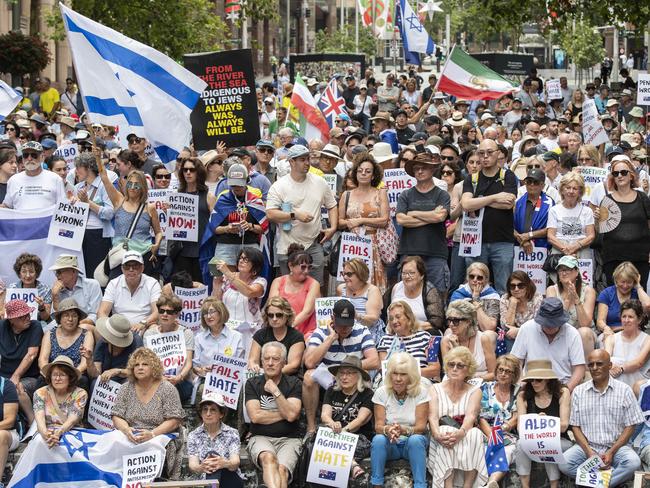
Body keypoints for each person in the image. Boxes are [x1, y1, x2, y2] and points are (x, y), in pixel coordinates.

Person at [558, 349, 643, 486]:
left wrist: (611, 451)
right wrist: (589, 452)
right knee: (564, 463)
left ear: (609, 365)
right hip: (588, 447)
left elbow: (631, 425)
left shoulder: (624, 390)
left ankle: (598, 484)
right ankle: (604, 481)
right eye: (591, 365)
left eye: (599, 364)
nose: (595, 368)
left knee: (633, 462)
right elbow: (575, 426)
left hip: (617, 448)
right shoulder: (579, 392)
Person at [303, 299, 379, 434]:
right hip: (328, 377)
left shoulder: (362, 331)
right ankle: (311, 427)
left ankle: (354, 429)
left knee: (361, 374)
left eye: (348, 324)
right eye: (341, 324)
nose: (344, 328)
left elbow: (374, 361)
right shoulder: (321, 332)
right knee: (309, 376)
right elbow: (309, 362)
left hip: (351, 375)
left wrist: (345, 368)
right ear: (332, 318)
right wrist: (330, 339)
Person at [266, 144, 338, 283]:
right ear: (292, 162)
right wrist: (295, 215)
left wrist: (333, 227)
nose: (307, 163)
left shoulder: (320, 182)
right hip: (288, 247)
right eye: (302, 159)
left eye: (308, 159)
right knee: (289, 291)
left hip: (314, 245)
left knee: (316, 288)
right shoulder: (279, 186)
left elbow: (332, 205)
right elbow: (270, 214)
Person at [112, 347, 184, 479]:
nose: (140, 368)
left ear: (154, 367)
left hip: (159, 435)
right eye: (136, 365)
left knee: (154, 446)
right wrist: (127, 430)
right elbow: (117, 415)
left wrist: (152, 434)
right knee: (114, 440)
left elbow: (175, 420)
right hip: (132, 434)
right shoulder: (125, 388)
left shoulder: (167, 388)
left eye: (145, 364)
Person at [461, 139, 518, 295]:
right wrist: (495, 197)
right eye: (481, 153)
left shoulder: (508, 175)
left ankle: (502, 319)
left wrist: (478, 201)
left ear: (498, 153)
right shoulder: (471, 178)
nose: (485, 156)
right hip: (475, 241)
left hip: (502, 241)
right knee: (474, 286)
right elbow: (465, 204)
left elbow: (508, 203)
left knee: (503, 287)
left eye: (489, 152)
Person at [245, 342, 302, 488]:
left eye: (275, 359)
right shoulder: (252, 383)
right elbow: (256, 417)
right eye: (266, 358)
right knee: (268, 458)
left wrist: (275, 391)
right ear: (261, 361)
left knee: (282, 471)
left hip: (289, 439)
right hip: (260, 437)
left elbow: (291, 415)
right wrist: (286, 412)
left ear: (284, 362)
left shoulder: (294, 383)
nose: (270, 363)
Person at [428, 346, 486, 488]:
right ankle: (448, 485)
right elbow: (433, 417)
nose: (454, 368)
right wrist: (436, 434)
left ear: (468, 370)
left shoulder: (475, 391)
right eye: (451, 364)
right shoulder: (435, 388)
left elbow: (471, 416)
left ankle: (468, 485)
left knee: (476, 433)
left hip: (464, 434)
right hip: (441, 437)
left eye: (460, 365)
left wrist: (461, 433)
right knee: (445, 429)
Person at [371, 352, 429, 488]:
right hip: (391, 443)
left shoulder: (421, 392)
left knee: (416, 440)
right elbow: (378, 426)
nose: (397, 378)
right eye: (394, 373)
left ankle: (420, 485)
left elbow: (421, 427)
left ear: (411, 376)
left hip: (412, 444)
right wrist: (387, 429)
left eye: (403, 374)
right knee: (378, 439)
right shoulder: (381, 392)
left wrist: (404, 430)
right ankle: (376, 484)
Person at [99, 155, 162, 277]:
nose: (132, 188)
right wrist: (98, 157)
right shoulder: (119, 201)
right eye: (130, 184)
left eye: (137, 185)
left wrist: (156, 245)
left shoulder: (150, 207)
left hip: (144, 255)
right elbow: (104, 177)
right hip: (120, 257)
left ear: (143, 187)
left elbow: (158, 231)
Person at [396, 151, 451, 293]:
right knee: (406, 297)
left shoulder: (442, 194)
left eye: (424, 168)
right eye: (416, 168)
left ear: (432, 169)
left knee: (437, 298)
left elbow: (439, 218)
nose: (420, 171)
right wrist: (431, 215)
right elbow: (401, 219)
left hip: (436, 254)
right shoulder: (406, 194)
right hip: (409, 253)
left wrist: (413, 213)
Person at [338, 152, 390, 293]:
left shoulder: (381, 193)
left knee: (372, 286)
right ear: (355, 173)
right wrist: (349, 223)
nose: (363, 174)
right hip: (351, 244)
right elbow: (340, 222)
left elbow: (384, 220)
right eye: (360, 171)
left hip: (372, 243)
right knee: (350, 284)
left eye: (368, 171)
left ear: (373, 175)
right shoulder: (346, 194)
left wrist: (361, 220)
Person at [515, 359, 571, 488]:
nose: (534, 383)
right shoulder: (523, 395)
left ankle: (554, 485)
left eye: (538, 380)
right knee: (521, 443)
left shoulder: (562, 392)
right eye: (531, 380)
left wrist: (545, 423)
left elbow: (564, 426)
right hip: (533, 440)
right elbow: (520, 428)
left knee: (546, 440)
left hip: (560, 440)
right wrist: (537, 422)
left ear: (548, 380)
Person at [512, 297, 586, 391]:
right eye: (547, 324)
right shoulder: (526, 329)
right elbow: (516, 361)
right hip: (532, 384)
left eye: (553, 324)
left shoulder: (572, 333)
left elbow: (579, 368)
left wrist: (567, 389)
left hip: (562, 385)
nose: (550, 327)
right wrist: (520, 385)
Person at [322, 355, 374, 480]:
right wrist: (333, 424)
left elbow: (360, 420)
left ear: (359, 376)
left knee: (330, 448)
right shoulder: (331, 391)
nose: (344, 377)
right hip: (333, 435)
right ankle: (353, 465)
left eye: (350, 373)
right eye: (342, 373)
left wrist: (342, 432)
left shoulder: (367, 394)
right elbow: (325, 415)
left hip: (357, 438)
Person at [600, 156, 650, 286]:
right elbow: (600, 231)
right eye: (616, 173)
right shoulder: (607, 200)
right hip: (613, 258)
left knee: (639, 296)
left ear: (631, 175)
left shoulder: (643, 197)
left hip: (640, 257)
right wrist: (596, 219)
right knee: (615, 298)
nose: (620, 176)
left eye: (624, 172)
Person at [479, 355, 522, 487]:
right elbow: (481, 417)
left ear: (514, 375)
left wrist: (505, 428)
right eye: (500, 370)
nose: (503, 374)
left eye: (508, 371)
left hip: (509, 434)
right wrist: (493, 435)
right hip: (487, 432)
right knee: (485, 449)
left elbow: (517, 416)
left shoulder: (519, 391)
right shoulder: (486, 388)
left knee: (507, 450)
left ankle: (492, 482)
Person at [172, 157, 217, 281]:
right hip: (181, 251)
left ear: (199, 172)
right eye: (185, 170)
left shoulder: (209, 196)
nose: (188, 173)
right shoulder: (176, 196)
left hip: (202, 251)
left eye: (192, 170)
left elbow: (215, 223)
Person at [142, 294, 194, 403]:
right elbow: (148, 362)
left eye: (169, 312)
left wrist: (179, 377)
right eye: (161, 311)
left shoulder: (186, 333)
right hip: (157, 380)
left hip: (181, 382)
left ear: (176, 314)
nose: (165, 314)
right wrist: (160, 378)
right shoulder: (149, 334)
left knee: (165, 390)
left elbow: (189, 363)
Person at [187, 391, 243, 486]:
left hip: (230, 480)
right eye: (205, 410)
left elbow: (235, 462)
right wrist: (201, 467)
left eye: (213, 410)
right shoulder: (194, 435)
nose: (208, 414)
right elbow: (193, 464)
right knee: (211, 460)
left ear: (221, 414)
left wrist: (224, 463)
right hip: (205, 481)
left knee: (212, 457)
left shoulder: (232, 433)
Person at [72, 152, 115, 277]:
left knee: (96, 274)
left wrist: (88, 203)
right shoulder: (78, 187)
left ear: (88, 168)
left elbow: (110, 213)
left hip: (98, 235)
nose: (76, 171)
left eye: (78, 167)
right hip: (79, 235)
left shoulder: (103, 185)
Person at [546, 256, 597, 360]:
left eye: (567, 269)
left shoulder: (588, 291)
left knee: (584, 332)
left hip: (583, 333)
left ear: (576, 271)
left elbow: (585, 324)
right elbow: (555, 321)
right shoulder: (551, 290)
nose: (563, 273)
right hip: (559, 331)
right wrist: (568, 300)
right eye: (560, 270)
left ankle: (587, 372)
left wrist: (576, 299)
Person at [98, 251, 162, 332]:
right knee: (98, 330)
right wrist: (110, 326)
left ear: (142, 268)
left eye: (135, 266)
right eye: (127, 266)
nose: (131, 269)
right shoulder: (113, 283)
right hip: (118, 327)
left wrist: (143, 323)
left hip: (144, 326)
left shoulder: (152, 283)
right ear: (122, 269)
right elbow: (102, 312)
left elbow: (157, 311)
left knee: (154, 329)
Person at [38, 298, 94, 389]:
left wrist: (70, 377)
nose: (70, 319)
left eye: (74, 316)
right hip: (53, 374)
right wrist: (53, 376)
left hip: (76, 375)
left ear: (78, 318)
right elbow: (42, 359)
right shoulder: (50, 334)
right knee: (41, 380)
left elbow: (85, 363)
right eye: (66, 315)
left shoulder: (86, 334)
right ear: (60, 318)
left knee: (83, 381)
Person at [379, 301, 442, 381]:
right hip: (394, 384)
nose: (394, 321)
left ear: (409, 318)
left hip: (420, 381)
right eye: (391, 319)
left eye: (398, 317)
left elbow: (435, 369)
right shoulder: (385, 340)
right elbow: (384, 370)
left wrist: (409, 374)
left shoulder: (426, 337)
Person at [382, 255, 445, 334]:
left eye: (411, 273)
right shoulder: (395, 288)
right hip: (394, 334)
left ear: (421, 275)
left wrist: (409, 327)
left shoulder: (430, 291)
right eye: (404, 273)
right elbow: (383, 312)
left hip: (420, 333)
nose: (407, 277)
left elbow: (437, 322)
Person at [34, 356, 87, 448]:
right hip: (47, 431)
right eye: (54, 375)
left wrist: (59, 433)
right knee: (39, 441)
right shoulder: (40, 393)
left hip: (71, 431)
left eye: (62, 375)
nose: (57, 378)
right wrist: (45, 434)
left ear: (70, 377)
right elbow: (40, 419)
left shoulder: (80, 393)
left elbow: (72, 420)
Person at [267, 244, 319, 337]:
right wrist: (281, 329)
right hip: (278, 326)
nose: (306, 271)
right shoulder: (278, 281)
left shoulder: (314, 284)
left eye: (309, 267)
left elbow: (307, 312)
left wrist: (289, 328)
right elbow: (273, 306)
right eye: (303, 267)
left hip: (306, 332)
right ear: (291, 266)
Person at [248, 297, 304, 376]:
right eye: (271, 315)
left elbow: (293, 366)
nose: (274, 319)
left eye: (279, 315)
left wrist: (269, 373)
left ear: (287, 315)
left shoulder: (296, 336)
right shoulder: (260, 334)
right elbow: (252, 360)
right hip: (263, 377)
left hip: (287, 379)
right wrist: (253, 366)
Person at [441, 299, 496, 381]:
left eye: (456, 321)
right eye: (449, 320)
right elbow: (448, 371)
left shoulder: (483, 339)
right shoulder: (446, 341)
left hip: (481, 382)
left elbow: (493, 373)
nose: (451, 324)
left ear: (468, 322)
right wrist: (456, 349)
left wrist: (475, 380)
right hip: (455, 381)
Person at [1, 141, 65, 210]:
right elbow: (7, 206)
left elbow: (62, 207)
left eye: (34, 155)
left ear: (42, 157)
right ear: (22, 158)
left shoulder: (55, 179)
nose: (29, 158)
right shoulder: (13, 180)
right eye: (25, 155)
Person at [0, 300, 43, 399]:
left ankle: (28, 415)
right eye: (22, 317)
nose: (27, 318)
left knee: (12, 390)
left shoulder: (35, 326)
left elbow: (31, 354)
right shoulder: (2, 326)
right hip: (3, 375)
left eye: (28, 314)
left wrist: (16, 376)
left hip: (28, 376)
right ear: (11, 320)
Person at [212, 247, 266, 326]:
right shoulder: (226, 277)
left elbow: (249, 292)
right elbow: (216, 302)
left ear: (255, 265)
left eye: (246, 259)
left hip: (250, 329)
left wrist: (228, 272)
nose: (241, 261)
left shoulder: (260, 281)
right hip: (226, 326)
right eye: (240, 258)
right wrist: (216, 282)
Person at [85, 314, 144, 387]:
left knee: (129, 383)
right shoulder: (103, 342)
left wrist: (117, 371)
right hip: (107, 381)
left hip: (128, 378)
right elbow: (95, 375)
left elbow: (139, 370)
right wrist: (89, 361)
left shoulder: (136, 342)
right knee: (95, 383)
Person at [193, 298, 245, 380]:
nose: (208, 316)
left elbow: (239, 366)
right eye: (205, 313)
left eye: (212, 312)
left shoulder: (237, 337)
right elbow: (195, 366)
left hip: (229, 382)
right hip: (206, 381)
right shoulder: (198, 338)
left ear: (221, 313)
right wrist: (202, 370)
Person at [337, 258, 386, 344]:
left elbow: (373, 319)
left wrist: (357, 316)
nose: (345, 277)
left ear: (360, 274)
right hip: (344, 331)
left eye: (349, 274)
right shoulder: (341, 289)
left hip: (367, 333)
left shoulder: (372, 290)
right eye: (343, 274)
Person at [597, 262, 650, 338]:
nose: (625, 286)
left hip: (634, 333)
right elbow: (600, 321)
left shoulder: (638, 293)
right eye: (622, 282)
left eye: (629, 282)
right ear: (616, 280)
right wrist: (606, 328)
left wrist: (638, 286)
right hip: (611, 332)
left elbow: (647, 305)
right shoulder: (607, 293)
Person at [604, 299, 650, 387]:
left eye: (630, 317)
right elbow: (606, 359)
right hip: (615, 376)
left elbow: (638, 363)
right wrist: (613, 366)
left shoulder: (647, 340)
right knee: (611, 361)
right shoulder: (611, 339)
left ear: (639, 319)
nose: (626, 320)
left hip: (638, 380)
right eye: (624, 316)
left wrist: (621, 369)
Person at [499, 271, 543, 350]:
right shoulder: (505, 299)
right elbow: (505, 326)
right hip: (512, 337)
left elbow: (538, 325)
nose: (516, 289)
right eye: (512, 286)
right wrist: (512, 304)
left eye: (520, 286)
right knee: (509, 338)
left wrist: (519, 331)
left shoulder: (537, 298)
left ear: (527, 286)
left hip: (533, 336)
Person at [514, 168, 554, 255]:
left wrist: (529, 235)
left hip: (542, 249)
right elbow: (509, 226)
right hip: (519, 249)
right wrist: (522, 239)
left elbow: (552, 228)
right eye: (529, 182)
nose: (531, 185)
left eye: (535, 182)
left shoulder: (549, 203)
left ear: (542, 185)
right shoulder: (517, 202)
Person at [449, 262, 499, 332]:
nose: (475, 280)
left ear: (486, 279)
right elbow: (453, 322)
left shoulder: (492, 296)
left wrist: (476, 299)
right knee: (448, 332)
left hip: (483, 335)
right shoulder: (458, 294)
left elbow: (489, 328)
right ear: (467, 278)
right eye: (472, 276)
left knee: (489, 334)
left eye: (479, 278)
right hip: (462, 332)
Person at [8, 253, 52, 327]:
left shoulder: (45, 290)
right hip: (16, 325)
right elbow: (7, 314)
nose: (28, 275)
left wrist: (42, 308)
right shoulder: (12, 288)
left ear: (36, 273)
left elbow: (46, 318)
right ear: (19, 273)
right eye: (24, 271)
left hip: (37, 325)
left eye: (31, 271)